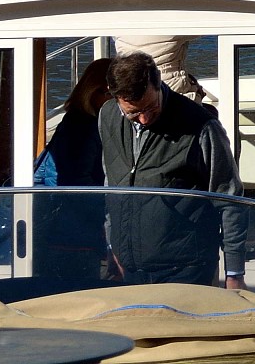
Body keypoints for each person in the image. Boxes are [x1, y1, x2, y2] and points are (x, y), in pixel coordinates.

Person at [97, 52, 244, 289]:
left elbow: (229, 199)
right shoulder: (107, 116)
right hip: (129, 268)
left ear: (159, 85)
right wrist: (113, 248)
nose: (143, 119)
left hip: (187, 269)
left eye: (151, 107)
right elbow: (110, 184)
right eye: (133, 113)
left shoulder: (201, 126)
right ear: (115, 98)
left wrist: (234, 273)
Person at [33, 59, 112, 288]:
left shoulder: (77, 122)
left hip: (67, 227)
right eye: (110, 95)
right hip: (72, 232)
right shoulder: (83, 126)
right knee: (78, 289)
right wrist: (104, 223)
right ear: (95, 92)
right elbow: (76, 182)